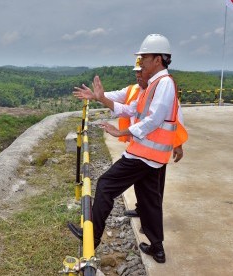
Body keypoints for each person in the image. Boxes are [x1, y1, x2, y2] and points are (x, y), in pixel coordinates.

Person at [69, 34, 186, 264]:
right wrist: (101, 98)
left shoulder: (163, 84)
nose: (140, 62)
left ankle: (91, 236)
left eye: (144, 57)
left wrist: (122, 133)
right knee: (149, 200)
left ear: (159, 59)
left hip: (143, 154)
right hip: (151, 157)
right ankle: (157, 249)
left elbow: (153, 120)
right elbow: (131, 109)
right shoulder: (153, 85)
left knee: (105, 185)